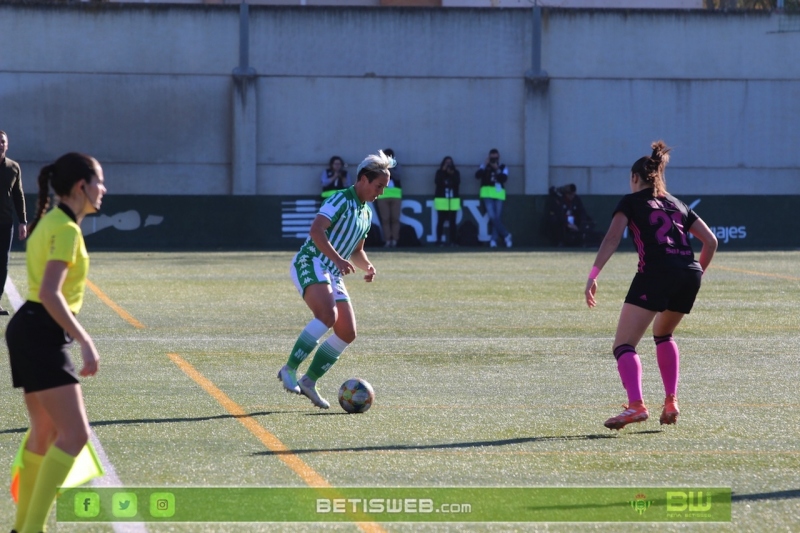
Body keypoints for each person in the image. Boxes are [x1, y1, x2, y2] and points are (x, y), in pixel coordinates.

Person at [584, 141, 717, 431]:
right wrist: (697, 274)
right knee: (663, 333)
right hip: (688, 272)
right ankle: (670, 401)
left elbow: (611, 239)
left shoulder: (630, 202)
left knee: (623, 345)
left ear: (635, 178)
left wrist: (594, 274)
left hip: (657, 272)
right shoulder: (677, 202)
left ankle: (636, 406)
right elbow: (711, 241)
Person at [5, 152, 106, 533]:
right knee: (74, 435)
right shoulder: (65, 230)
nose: (104, 189)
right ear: (81, 187)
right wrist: (85, 339)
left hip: (28, 330)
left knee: (44, 433)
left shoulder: (50, 222)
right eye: (99, 181)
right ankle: (31, 529)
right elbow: (50, 292)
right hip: (40, 333)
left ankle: (23, 528)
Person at [278, 150, 394, 409]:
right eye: (379, 186)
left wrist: (367, 266)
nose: (381, 192)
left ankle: (309, 381)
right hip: (311, 261)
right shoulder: (340, 199)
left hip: (332, 269)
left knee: (347, 331)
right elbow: (316, 230)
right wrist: (339, 260)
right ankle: (289, 369)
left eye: (384, 187)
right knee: (327, 315)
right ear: (363, 179)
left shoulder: (366, 213)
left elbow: (356, 250)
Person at [0, 131, 28, 315]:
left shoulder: (13, 168)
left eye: (2, 141)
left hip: (5, 223)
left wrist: (22, 221)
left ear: (7, 145)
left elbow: (18, 195)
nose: (0, 144)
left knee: (2, 263)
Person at [475, 148, 511, 248]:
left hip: (499, 194)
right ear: (489, 157)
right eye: (492, 158)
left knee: (497, 217)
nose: (494, 160)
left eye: (496, 158)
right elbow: (477, 176)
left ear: (499, 157)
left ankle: (493, 240)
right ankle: (506, 235)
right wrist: (484, 166)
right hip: (487, 193)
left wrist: (497, 169)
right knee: (493, 216)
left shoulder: (503, 166)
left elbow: (504, 179)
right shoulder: (484, 166)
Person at [375, 148, 402, 247]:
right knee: (385, 219)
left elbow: (398, 176)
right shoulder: (379, 167)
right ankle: (387, 240)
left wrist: (390, 169)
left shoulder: (397, 165)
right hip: (382, 195)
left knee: (395, 218)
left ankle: (395, 240)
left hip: (395, 195)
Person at [433, 156, 461, 246]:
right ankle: (439, 240)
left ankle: (453, 241)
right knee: (440, 221)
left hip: (453, 200)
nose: (448, 164)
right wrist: (443, 171)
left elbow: (457, 182)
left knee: (452, 222)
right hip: (441, 200)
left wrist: (451, 173)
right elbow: (437, 181)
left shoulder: (456, 172)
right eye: (446, 162)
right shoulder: (439, 172)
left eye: (450, 162)